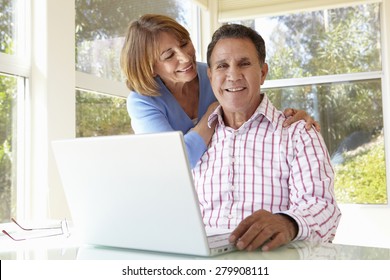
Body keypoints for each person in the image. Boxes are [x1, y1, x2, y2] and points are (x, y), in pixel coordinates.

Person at [192, 23, 341, 252]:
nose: (233, 76)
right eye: (222, 66)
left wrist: (288, 223)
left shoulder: (299, 134)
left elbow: (323, 208)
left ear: (262, 73)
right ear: (211, 76)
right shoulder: (196, 143)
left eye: (244, 63)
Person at [120, 14, 320, 168]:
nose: (185, 57)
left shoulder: (214, 72)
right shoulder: (142, 101)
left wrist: (291, 118)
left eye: (183, 44)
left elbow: (252, 108)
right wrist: (212, 112)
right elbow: (175, 162)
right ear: (150, 67)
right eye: (169, 55)